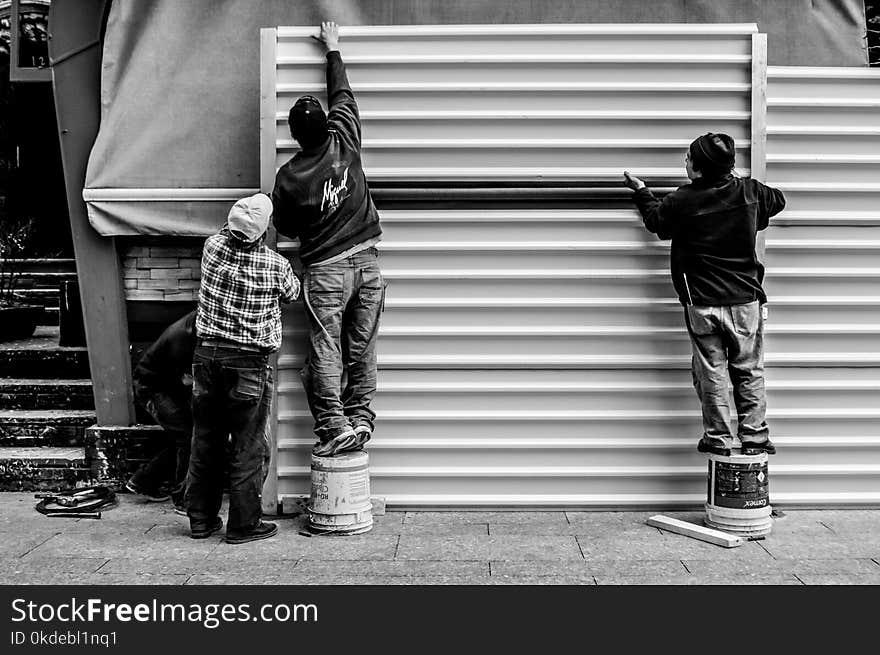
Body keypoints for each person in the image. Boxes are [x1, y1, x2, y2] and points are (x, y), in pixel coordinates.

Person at [623, 133, 785, 457]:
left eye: (688, 158)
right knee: (749, 371)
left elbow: (658, 222)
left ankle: (719, 440)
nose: (684, 162)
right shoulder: (749, 192)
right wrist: (739, 186)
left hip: (702, 302)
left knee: (711, 373)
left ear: (696, 169)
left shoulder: (684, 200)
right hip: (744, 301)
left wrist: (641, 191)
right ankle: (754, 439)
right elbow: (776, 201)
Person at [271, 21, 384, 458]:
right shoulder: (347, 141)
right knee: (362, 346)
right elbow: (343, 95)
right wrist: (332, 48)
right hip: (368, 265)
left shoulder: (289, 177)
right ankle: (360, 418)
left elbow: (286, 228)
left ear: (296, 137)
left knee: (325, 347)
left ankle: (335, 425)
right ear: (327, 126)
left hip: (325, 273)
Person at [185, 193, 299, 544]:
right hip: (249, 363)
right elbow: (292, 293)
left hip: (207, 357)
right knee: (248, 446)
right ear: (264, 234)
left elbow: (225, 235)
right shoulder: (276, 265)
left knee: (205, 441)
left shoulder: (211, 248)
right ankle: (243, 524)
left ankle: (201, 521)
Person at [127, 310, 197, 513]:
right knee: (188, 436)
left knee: (185, 435)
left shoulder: (193, 323)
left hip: (166, 386)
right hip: (153, 388)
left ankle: (144, 481)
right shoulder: (184, 335)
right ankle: (184, 498)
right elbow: (187, 379)